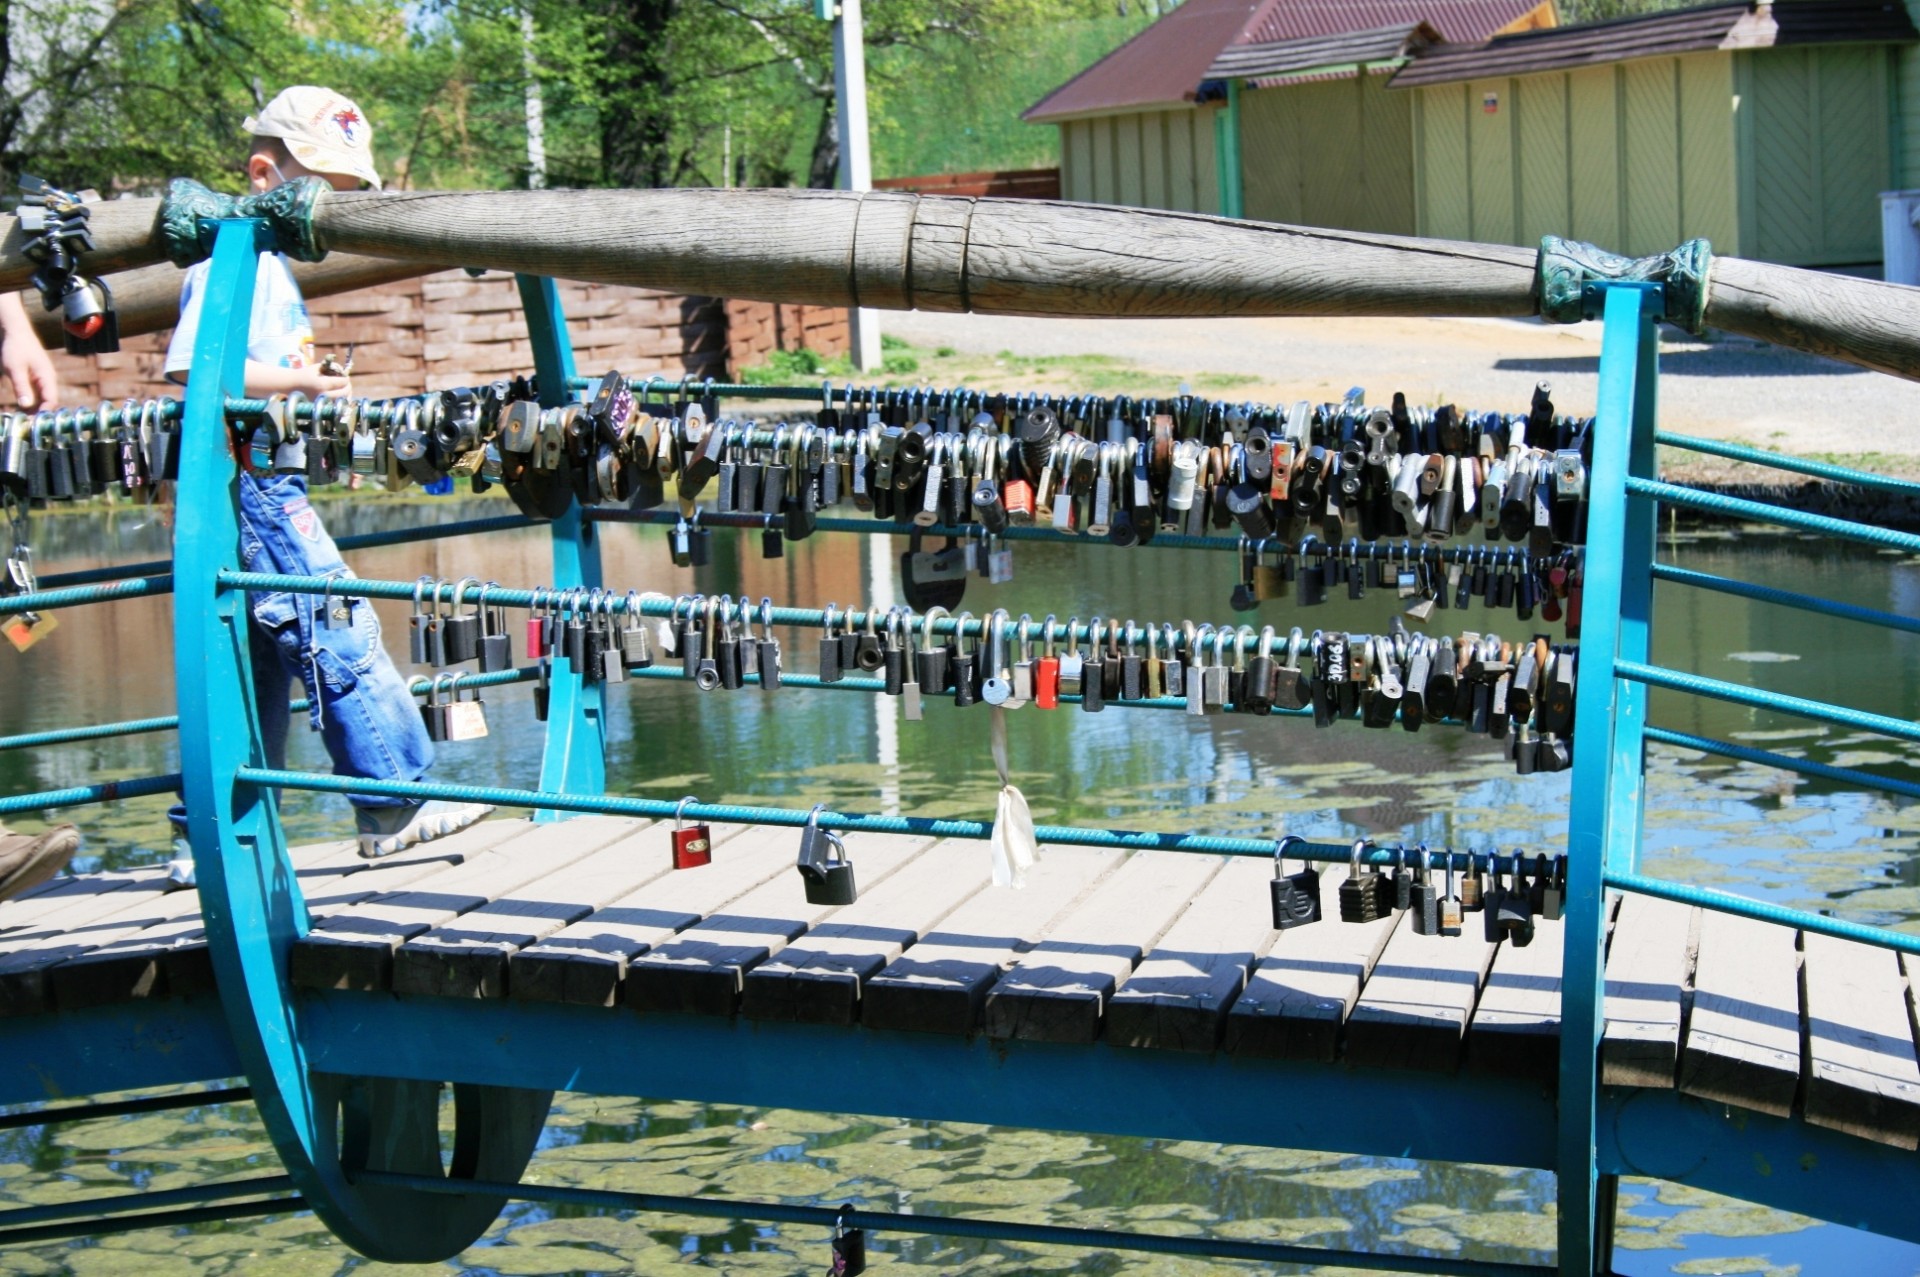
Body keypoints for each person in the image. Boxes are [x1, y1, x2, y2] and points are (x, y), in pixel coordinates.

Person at [165, 86, 488, 858]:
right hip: (255, 482)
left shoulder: (269, 265)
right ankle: (391, 800)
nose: (331, 220)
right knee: (333, 621)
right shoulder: (233, 258)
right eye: (325, 196)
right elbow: (194, 367)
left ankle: (207, 840)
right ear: (263, 178)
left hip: (257, 475)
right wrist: (305, 386)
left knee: (249, 657)